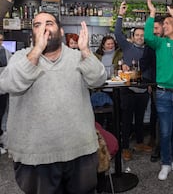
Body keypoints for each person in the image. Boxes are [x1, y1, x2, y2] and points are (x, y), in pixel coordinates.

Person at [0, 11, 107, 193]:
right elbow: (8, 84)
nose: (43, 28)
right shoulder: (20, 58)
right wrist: (36, 51)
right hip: (35, 156)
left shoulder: (77, 57)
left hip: (79, 151)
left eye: (49, 23)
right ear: (32, 34)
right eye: (37, 25)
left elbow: (98, 80)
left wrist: (86, 51)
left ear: (62, 31)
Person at [145, 0, 173, 181]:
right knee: (165, 131)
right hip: (163, 93)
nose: (165, 25)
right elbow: (148, 35)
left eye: (168, 22)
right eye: (163, 23)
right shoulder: (159, 43)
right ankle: (165, 163)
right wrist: (152, 14)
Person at [113, 1, 151, 161]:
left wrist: (149, 85)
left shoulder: (150, 49)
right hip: (128, 90)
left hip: (143, 90)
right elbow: (117, 34)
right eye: (137, 35)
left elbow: (151, 69)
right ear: (133, 37)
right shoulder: (128, 47)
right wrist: (120, 15)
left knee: (140, 119)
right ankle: (125, 148)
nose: (140, 38)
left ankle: (140, 143)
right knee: (127, 120)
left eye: (142, 35)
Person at [139, 15, 164, 162]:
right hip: (156, 85)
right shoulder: (151, 44)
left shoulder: (171, 41)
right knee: (160, 118)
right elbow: (144, 63)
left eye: (156, 28)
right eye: (152, 28)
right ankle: (158, 147)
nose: (154, 31)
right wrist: (149, 83)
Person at [0, 33, 12, 155]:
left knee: (2, 114)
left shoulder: (4, 52)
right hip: (2, 89)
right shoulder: (4, 53)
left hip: (2, 90)